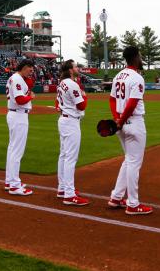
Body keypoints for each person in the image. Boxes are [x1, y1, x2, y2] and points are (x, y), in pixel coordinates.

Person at [108, 46, 151, 215]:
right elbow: (132, 103)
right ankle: (133, 204)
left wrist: (117, 119)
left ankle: (116, 197)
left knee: (128, 160)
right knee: (134, 163)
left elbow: (112, 99)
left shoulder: (119, 75)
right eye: (140, 55)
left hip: (121, 122)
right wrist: (122, 119)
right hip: (133, 123)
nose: (141, 58)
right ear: (135, 57)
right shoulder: (136, 77)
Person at [55, 59, 89, 207]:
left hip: (64, 119)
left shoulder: (61, 83)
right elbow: (81, 105)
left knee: (63, 155)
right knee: (70, 158)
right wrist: (84, 95)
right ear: (70, 70)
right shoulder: (71, 83)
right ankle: (69, 194)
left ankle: (62, 188)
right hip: (71, 122)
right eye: (75, 66)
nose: (77, 68)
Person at [5, 59, 35, 196]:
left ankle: (10, 181)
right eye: (30, 67)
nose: (32, 70)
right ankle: (15, 185)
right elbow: (20, 100)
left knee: (12, 150)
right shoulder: (16, 78)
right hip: (18, 116)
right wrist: (30, 96)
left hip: (15, 114)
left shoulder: (16, 78)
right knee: (17, 151)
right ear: (23, 67)